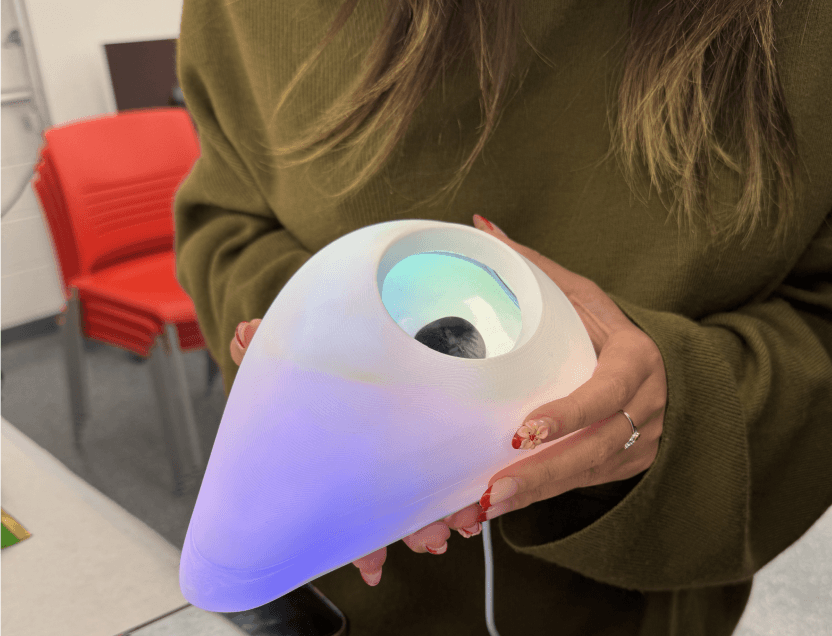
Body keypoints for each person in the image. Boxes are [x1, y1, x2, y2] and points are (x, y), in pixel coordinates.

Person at [173, 1, 832, 634]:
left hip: (631, 605)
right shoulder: (254, 18)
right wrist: (308, 351)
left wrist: (682, 403)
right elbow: (228, 217)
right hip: (332, 577)